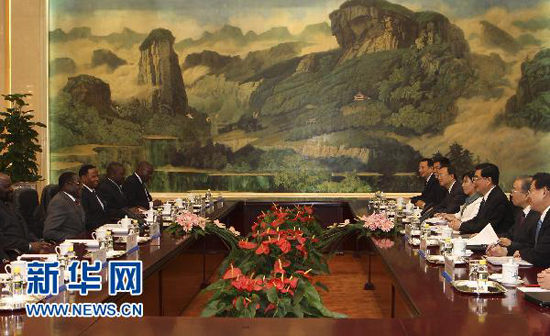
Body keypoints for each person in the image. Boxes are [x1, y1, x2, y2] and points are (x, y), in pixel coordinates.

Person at [0, 173, 52, 257]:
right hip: (9, 256)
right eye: (6, 187)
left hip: (24, 251)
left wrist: (38, 242)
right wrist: (29, 246)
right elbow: (3, 240)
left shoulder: (9, 203)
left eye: (10, 185)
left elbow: (24, 229)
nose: (11, 189)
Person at [457, 163, 514, 234]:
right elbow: (478, 219)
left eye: (476, 178)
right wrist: (460, 225)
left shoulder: (498, 198)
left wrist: (460, 226)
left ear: (488, 181)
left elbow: (487, 226)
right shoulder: (489, 196)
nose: (474, 182)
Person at [43, 172, 86, 243]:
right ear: (67, 185)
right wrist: (74, 238)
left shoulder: (74, 200)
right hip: (67, 246)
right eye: (78, 183)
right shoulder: (59, 202)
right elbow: (49, 233)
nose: (82, 186)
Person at [79, 164, 109, 231]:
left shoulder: (97, 191)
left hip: (106, 229)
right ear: (83, 178)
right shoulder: (82, 194)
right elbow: (87, 219)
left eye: (97, 176)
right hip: (94, 231)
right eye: (93, 176)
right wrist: (102, 229)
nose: (97, 179)